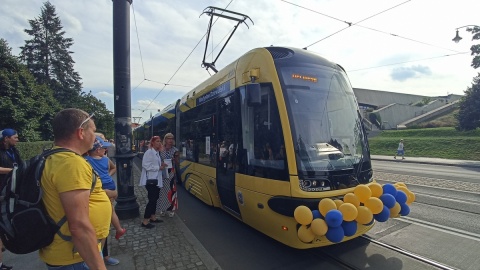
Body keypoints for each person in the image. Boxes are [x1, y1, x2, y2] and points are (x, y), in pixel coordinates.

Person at [39, 108, 112, 270]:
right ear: (81, 132)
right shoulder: (71, 164)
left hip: (70, 254)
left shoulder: (53, 157)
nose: (95, 136)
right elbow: (79, 225)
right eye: (93, 131)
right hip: (75, 257)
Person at [85, 136, 125, 266]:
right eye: (103, 147)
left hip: (104, 189)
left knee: (107, 216)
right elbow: (113, 168)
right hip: (105, 189)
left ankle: (103, 256)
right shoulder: (89, 161)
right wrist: (108, 175)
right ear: (97, 150)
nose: (106, 149)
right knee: (107, 215)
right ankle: (101, 257)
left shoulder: (89, 160)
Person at [0, 129, 19, 270]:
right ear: (6, 138)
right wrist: (13, 171)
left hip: (9, 189)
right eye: (15, 137)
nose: (17, 139)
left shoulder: (14, 151)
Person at [140, 136, 166, 229]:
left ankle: (153, 217)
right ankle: (145, 221)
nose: (159, 143)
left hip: (156, 179)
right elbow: (145, 165)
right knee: (152, 200)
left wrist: (161, 165)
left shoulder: (156, 153)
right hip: (150, 180)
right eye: (157, 141)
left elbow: (155, 165)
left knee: (155, 199)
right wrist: (158, 168)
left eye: (160, 141)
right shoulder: (149, 152)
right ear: (153, 143)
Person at [157, 133, 179, 218]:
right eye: (168, 138)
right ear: (165, 139)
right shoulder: (160, 149)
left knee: (172, 191)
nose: (170, 140)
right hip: (162, 172)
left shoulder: (175, 150)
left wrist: (175, 159)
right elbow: (157, 160)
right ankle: (162, 209)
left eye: (172, 139)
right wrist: (161, 163)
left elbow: (178, 163)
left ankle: (171, 209)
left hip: (171, 173)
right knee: (162, 191)